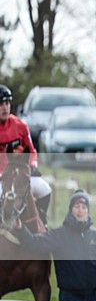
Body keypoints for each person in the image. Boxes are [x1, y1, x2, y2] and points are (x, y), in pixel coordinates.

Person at [13, 190, 96, 301]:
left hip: (91, 297)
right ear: (70, 209)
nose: (80, 210)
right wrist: (21, 229)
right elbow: (35, 243)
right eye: (76, 206)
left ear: (88, 211)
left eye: (84, 207)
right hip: (70, 296)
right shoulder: (59, 235)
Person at [0, 84, 52, 225]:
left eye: (7, 103)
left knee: (45, 189)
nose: (5, 107)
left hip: (20, 173)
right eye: (1, 104)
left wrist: (32, 164)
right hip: (2, 177)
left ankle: (41, 220)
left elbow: (32, 151)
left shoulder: (21, 126)